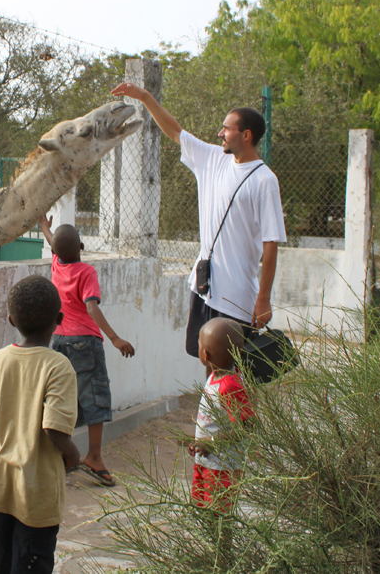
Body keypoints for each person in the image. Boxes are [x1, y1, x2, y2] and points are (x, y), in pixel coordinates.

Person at [111, 82, 287, 359]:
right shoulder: (213, 158)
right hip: (206, 288)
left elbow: (271, 244)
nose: (221, 133)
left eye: (227, 128)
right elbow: (175, 130)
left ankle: (227, 403)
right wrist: (145, 96)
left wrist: (263, 299)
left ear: (247, 135)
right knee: (208, 359)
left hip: (237, 296)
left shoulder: (265, 180)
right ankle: (211, 403)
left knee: (237, 368)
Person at [0, 274, 82, 574]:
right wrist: (72, 454)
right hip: (38, 489)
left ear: (10, 320)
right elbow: (54, 428)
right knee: (32, 562)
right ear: (59, 319)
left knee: (0, 558)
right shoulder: (58, 366)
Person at [38, 215, 135, 487]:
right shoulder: (86, 272)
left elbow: (53, 243)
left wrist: (45, 225)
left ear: (55, 253)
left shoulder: (56, 264)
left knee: (60, 397)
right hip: (85, 342)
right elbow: (91, 307)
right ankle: (93, 457)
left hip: (57, 341)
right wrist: (115, 338)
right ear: (81, 248)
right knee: (95, 396)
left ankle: (59, 455)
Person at [187, 318, 255, 512]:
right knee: (204, 512)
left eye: (199, 344)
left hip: (222, 468)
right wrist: (199, 443)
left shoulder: (229, 385)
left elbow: (248, 427)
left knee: (219, 517)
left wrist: (212, 441)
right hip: (206, 462)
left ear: (205, 354)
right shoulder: (214, 376)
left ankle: (222, 544)